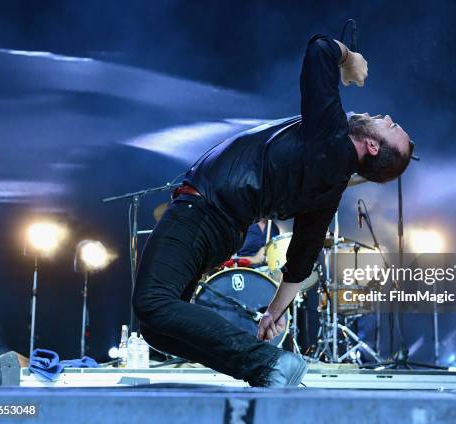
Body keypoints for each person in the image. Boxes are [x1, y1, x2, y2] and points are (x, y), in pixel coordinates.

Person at [132, 33, 415, 388]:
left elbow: (319, 49)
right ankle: (266, 367)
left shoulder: (330, 138)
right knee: (156, 330)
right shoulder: (332, 183)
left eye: (389, 125)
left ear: (372, 146)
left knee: (153, 304)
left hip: (204, 212)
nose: (385, 116)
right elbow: (302, 258)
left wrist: (348, 58)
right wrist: (274, 312)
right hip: (221, 226)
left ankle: (267, 363)